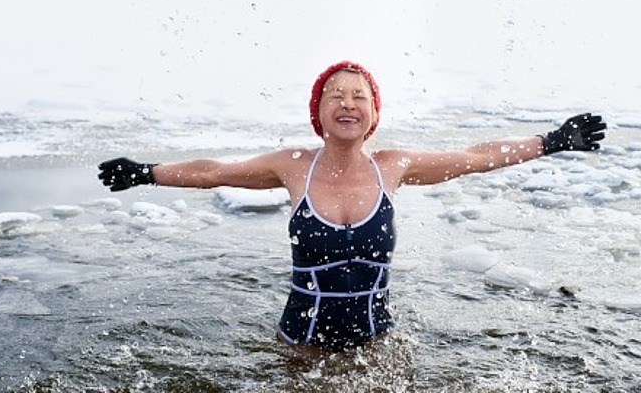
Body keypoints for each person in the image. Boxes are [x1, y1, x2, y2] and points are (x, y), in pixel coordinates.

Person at [98, 60, 606, 351]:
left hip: (376, 345)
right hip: (300, 345)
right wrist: (147, 173)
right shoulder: (294, 166)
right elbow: (215, 172)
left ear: (373, 113)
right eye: (335, 96)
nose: (347, 103)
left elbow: (473, 157)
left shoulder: (393, 167)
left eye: (359, 96)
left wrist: (551, 141)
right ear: (318, 113)